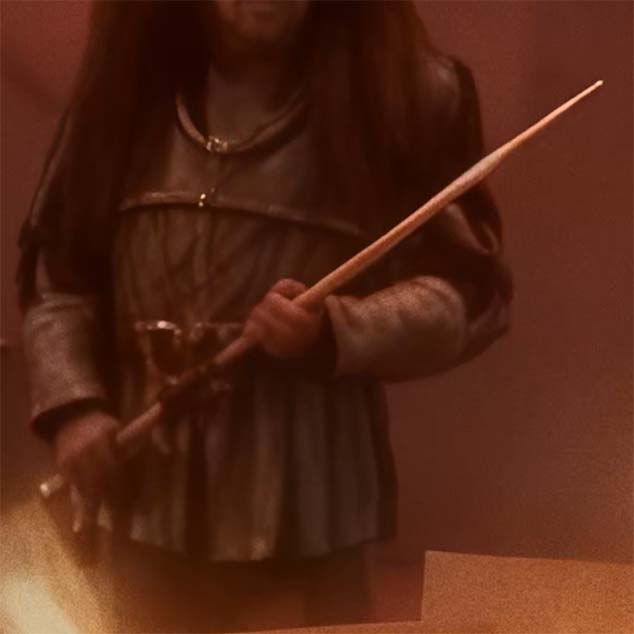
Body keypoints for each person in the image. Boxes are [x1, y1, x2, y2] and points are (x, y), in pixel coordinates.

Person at [18, 1, 512, 631]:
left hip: (309, 511)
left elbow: (472, 293)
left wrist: (335, 331)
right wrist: (76, 408)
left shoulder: (405, 99)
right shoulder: (123, 96)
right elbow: (59, 274)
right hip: (144, 502)